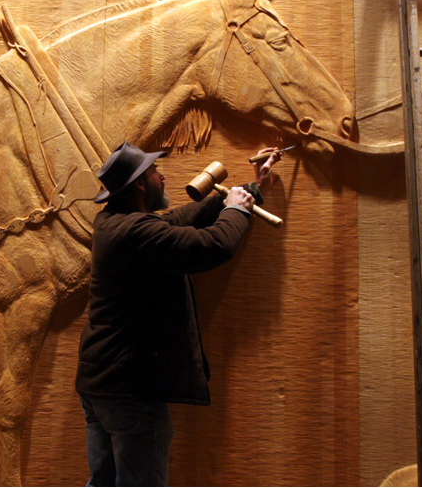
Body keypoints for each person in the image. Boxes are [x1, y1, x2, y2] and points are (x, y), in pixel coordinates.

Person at [75, 141, 282, 486]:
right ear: (141, 184)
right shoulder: (136, 232)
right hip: (131, 391)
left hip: (102, 385)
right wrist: (237, 210)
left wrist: (248, 190)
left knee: (103, 482)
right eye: (156, 172)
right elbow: (213, 246)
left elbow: (177, 219)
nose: (164, 176)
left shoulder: (112, 221)